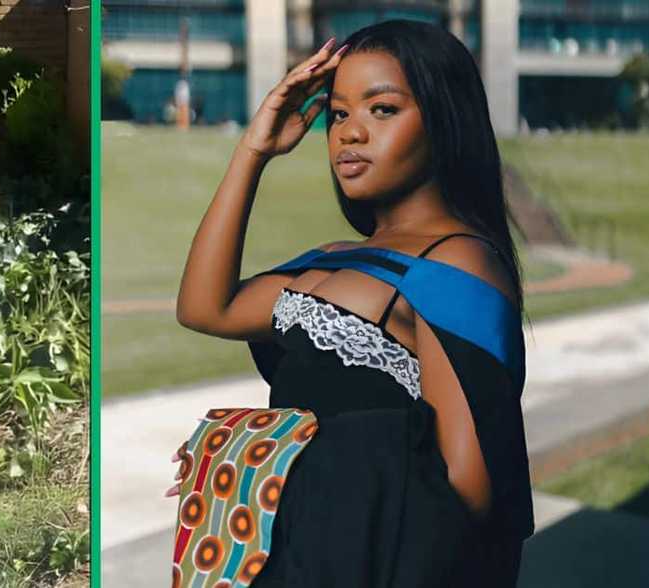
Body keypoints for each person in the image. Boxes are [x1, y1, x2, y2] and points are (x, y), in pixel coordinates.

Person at [174, 20, 533, 586]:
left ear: (443, 120)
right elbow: (204, 307)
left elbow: (471, 488)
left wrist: (273, 455)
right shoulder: (333, 259)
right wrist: (254, 149)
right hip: (288, 555)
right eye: (339, 113)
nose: (350, 133)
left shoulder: (457, 265)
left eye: (382, 110)